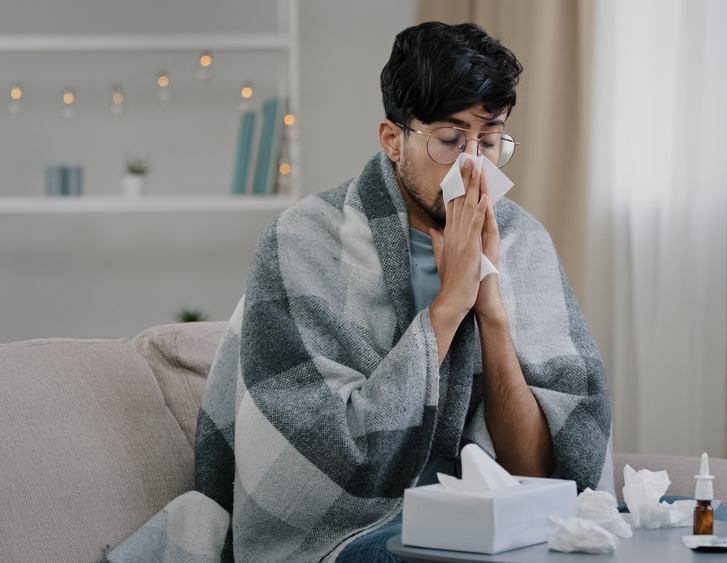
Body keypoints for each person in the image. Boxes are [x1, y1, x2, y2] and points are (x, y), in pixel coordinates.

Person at [103, 22, 612, 563]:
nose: (474, 168)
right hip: (364, 530)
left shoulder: (523, 241)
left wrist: (491, 311)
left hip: (498, 523)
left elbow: (539, 473)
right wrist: (449, 304)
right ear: (394, 140)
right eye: (449, 140)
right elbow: (319, 456)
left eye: (489, 142)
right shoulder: (304, 240)